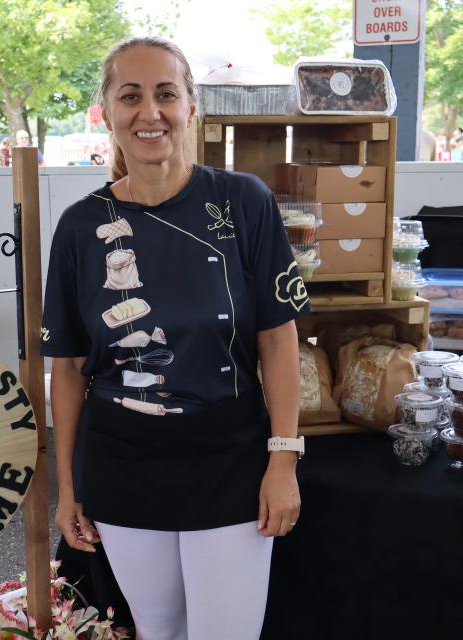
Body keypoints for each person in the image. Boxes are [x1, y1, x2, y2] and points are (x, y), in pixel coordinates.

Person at [42, 36, 305, 639]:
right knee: (158, 631)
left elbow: (278, 340)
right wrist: (69, 484)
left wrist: (283, 460)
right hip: (122, 464)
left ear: (192, 107)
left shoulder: (242, 203)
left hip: (230, 460)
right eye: (130, 96)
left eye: (166, 94)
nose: (149, 112)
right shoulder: (81, 226)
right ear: (106, 112)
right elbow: (69, 366)